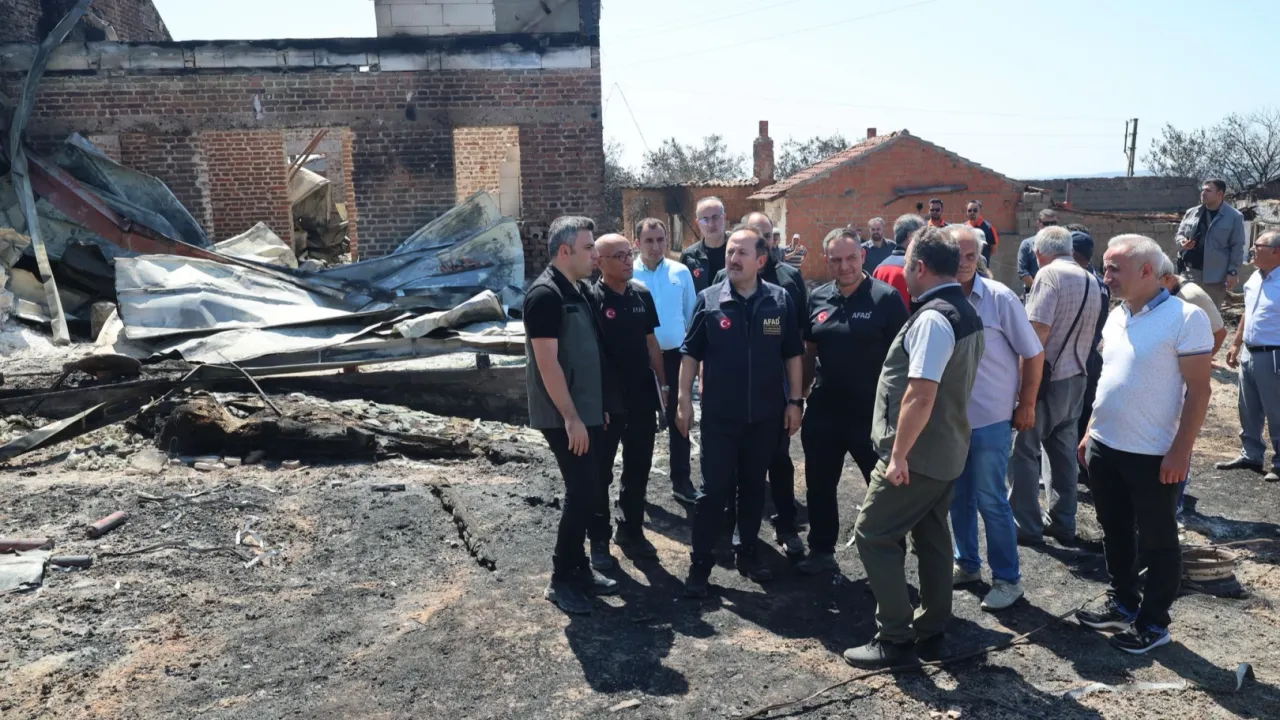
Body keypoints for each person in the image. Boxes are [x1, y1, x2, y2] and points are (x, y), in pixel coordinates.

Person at [843, 227, 985, 668]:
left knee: (873, 533)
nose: (902, 270)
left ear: (920, 267)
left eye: (906, 263)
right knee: (932, 534)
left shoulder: (933, 319)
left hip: (918, 455)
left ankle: (895, 637)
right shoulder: (964, 310)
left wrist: (898, 455)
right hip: (946, 449)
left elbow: (920, 395)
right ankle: (931, 626)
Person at [1076, 234, 1213, 654]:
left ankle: (1154, 623)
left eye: (1115, 268)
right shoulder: (1118, 315)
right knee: (1114, 529)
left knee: (1159, 539)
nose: (1106, 276)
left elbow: (1200, 391)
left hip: (1154, 453)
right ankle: (1123, 601)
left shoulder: (1186, 318)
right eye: (1106, 267)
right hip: (1105, 446)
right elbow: (1109, 378)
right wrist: (1091, 430)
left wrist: (1181, 451)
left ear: (1148, 271)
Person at [678, 227, 805, 596]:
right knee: (713, 491)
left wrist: (795, 402)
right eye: (730, 252)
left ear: (761, 261)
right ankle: (700, 565)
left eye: (741, 253)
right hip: (720, 417)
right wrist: (684, 400)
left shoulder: (779, 300)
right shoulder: (709, 300)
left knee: (752, 488)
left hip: (765, 416)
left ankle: (747, 553)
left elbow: (792, 355)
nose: (732, 259)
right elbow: (690, 354)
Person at [797, 228, 909, 575]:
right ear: (826, 261)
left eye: (850, 258)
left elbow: (903, 359)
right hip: (825, 409)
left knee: (884, 491)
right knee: (819, 484)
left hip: (872, 414)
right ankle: (821, 550)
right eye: (836, 260)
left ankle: (889, 561)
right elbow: (808, 351)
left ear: (862, 256)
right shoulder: (817, 298)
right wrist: (798, 398)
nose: (844, 266)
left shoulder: (886, 298)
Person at [524, 216, 619, 614]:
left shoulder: (576, 289)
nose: (595, 254)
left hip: (586, 410)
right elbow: (547, 364)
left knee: (591, 490)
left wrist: (599, 408)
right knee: (582, 492)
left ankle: (579, 570)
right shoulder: (545, 295)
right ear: (565, 251)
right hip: (564, 415)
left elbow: (589, 353)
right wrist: (572, 417)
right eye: (588, 247)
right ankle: (561, 578)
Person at [947, 225, 1044, 611]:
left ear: (980, 257)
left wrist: (1027, 403)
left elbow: (1033, 352)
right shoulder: (938, 298)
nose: (964, 263)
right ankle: (967, 563)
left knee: (991, 498)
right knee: (958, 496)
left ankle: (1007, 579)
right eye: (956, 256)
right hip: (951, 421)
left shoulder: (1000, 298)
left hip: (990, 420)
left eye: (971, 256)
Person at [713, 212, 808, 554]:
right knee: (734, 465)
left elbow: (797, 341)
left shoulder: (789, 279)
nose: (764, 241)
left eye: (767, 235)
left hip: (774, 390)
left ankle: (786, 525)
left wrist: (796, 397)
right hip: (735, 395)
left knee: (778, 460)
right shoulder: (725, 277)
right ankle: (732, 526)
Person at [1007, 226, 1103, 546]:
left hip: (1046, 382)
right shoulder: (1091, 279)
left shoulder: (1048, 276)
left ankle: (1026, 525)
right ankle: (1063, 522)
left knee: (1023, 451)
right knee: (1062, 456)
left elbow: (1034, 339)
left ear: (1038, 253)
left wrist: (1024, 397)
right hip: (1078, 379)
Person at [585, 233, 668, 565]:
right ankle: (599, 540)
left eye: (628, 253)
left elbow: (651, 343)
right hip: (607, 402)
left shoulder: (641, 294)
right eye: (618, 256)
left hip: (641, 397)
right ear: (599, 262)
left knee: (638, 467)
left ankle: (631, 530)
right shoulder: (590, 299)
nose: (627, 260)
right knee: (600, 472)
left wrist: (663, 385)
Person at [631, 217, 699, 503]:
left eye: (660, 240)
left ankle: (681, 480)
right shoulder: (628, 273)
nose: (656, 246)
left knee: (679, 420)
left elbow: (692, 316)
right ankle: (635, 487)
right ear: (637, 243)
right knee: (639, 425)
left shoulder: (680, 272)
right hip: (639, 362)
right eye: (649, 240)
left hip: (675, 359)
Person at [1219, 229, 1280, 482]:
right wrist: (1236, 344)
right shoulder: (1255, 277)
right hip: (1250, 351)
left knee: (1276, 410)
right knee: (1248, 407)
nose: (1252, 249)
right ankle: (1251, 454)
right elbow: (1248, 311)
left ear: (1276, 251)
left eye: (1258, 246)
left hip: (1274, 355)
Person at [1069, 228, 1111, 489]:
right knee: (1085, 414)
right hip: (1091, 355)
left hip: (1078, 357)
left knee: (1076, 417)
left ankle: (1083, 470)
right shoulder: (1100, 283)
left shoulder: (1079, 281)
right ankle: (1087, 471)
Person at [1176, 179, 1246, 309]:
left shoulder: (1234, 216)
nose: (1203, 193)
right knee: (1184, 311)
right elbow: (1179, 235)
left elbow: (1237, 246)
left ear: (1220, 194)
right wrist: (1182, 242)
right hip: (1189, 272)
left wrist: (1233, 272)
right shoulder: (1192, 213)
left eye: (1208, 190)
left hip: (1214, 277)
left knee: (1210, 314)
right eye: (1203, 190)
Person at [873, 213, 926, 307]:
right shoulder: (914, 269)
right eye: (921, 235)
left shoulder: (879, 268)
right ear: (911, 236)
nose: (924, 239)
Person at [681, 196, 729, 294]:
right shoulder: (689, 256)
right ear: (698, 223)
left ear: (724, 217)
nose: (711, 224)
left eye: (715, 217)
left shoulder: (739, 250)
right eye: (705, 219)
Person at [1017, 208, 1059, 296]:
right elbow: (1022, 271)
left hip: (1058, 292)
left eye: (1053, 223)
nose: (1050, 227)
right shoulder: (1027, 244)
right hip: (1033, 292)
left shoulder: (1062, 244)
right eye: (1047, 224)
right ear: (1038, 223)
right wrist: (1038, 289)